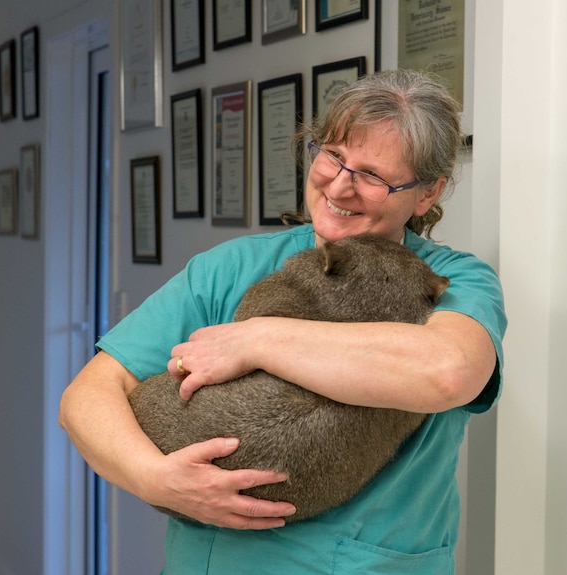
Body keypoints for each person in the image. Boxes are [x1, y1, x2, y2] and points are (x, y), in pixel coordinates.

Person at [59, 68, 507, 574]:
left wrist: (257, 339)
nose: (340, 185)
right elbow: (86, 397)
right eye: (332, 156)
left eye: (374, 176)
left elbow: (447, 372)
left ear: (426, 194)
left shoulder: (452, 281)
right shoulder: (230, 268)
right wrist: (153, 478)